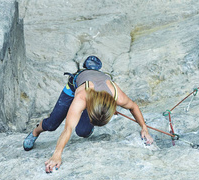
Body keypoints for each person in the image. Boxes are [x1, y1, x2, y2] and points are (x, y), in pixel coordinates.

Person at [23, 57, 153, 173]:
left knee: (83, 132)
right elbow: (68, 128)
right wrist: (57, 154)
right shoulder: (81, 98)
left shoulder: (117, 97)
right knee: (52, 124)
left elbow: (133, 106)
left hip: (95, 91)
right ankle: (35, 132)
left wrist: (144, 128)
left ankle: (93, 69)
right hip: (74, 88)